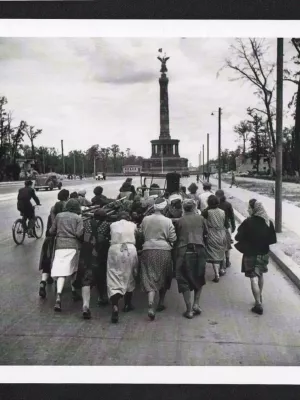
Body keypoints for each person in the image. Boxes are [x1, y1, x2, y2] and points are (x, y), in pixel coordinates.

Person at [234, 199, 276, 315]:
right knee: (260, 274)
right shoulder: (269, 222)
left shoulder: (248, 222)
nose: (248, 209)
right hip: (263, 253)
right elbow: (272, 240)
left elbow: (238, 237)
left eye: (249, 207)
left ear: (253, 209)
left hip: (251, 253)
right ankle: (260, 296)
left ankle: (258, 304)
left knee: (253, 277)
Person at [140, 197, 177, 320]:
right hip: (164, 251)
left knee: (150, 277)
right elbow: (173, 238)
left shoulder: (145, 219)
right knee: (164, 276)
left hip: (148, 250)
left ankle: (150, 305)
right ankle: (160, 302)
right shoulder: (167, 221)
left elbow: (140, 234)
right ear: (165, 207)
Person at [75, 208, 111, 319]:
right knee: (101, 275)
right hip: (99, 252)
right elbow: (110, 238)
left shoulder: (86, 223)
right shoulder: (107, 225)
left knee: (86, 279)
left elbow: (79, 234)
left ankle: (86, 304)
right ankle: (102, 297)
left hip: (86, 252)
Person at [49, 199, 84, 312]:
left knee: (60, 272)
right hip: (73, 246)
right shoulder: (78, 218)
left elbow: (52, 230)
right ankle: (74, 291)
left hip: (59, 245)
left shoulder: (59, 216)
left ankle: (58, 296)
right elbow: (79, 234)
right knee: (73, 269)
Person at [175, 199, 207, 319]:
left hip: (184, 252)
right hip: (199, 251)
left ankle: (188, 310)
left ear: (184, 208)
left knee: (184, 280)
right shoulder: (201, 218)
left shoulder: (180, 221)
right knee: (199, 277)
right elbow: (206, 234)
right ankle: (196, 304)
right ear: (194, 207)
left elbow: (177, 236)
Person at [107, 211, 139, 323]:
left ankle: (115, 305)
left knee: (113, 276)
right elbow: (138, 236)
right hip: (130, 249)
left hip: (115, 249)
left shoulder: (112, 225)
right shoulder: (133, 225)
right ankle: (127, 304)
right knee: (129, 275)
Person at [38, 189, 70, 298]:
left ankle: (43, 282)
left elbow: (49, 227)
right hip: (61, 240)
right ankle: (58, 285)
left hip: (50, 238)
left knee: (47, 262)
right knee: (60, 262)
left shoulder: (53, 208)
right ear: (67, 197)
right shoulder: (68, 209)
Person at [201, 195, 227, 282]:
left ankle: (217, 274)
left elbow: (202, 217)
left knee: (214, 254)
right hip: (222, 233)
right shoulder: (222, 212)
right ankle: (222, 269)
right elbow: (226, 224)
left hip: (212, 234)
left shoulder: (207, 212)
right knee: (221, 251)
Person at [215, 189, 236, 269]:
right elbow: (232, 217)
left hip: (217, 228)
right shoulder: (228, 204)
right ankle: (227, 261)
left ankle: (222, 262)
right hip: (226, 227)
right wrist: (233, 226)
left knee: (219, 246)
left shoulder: (214, 205)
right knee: (227, 246)